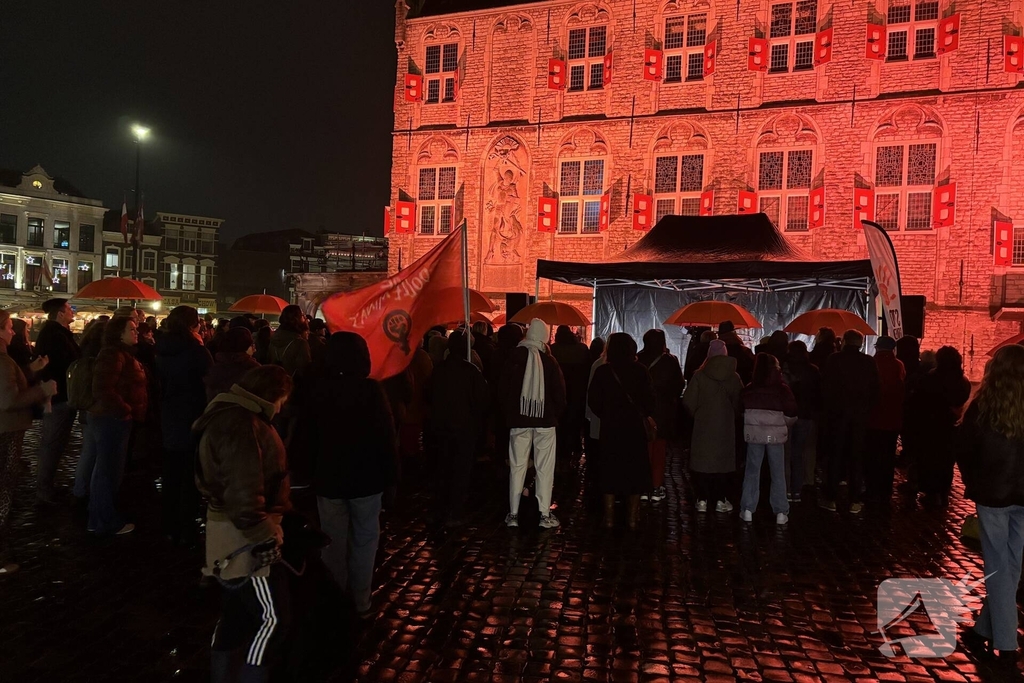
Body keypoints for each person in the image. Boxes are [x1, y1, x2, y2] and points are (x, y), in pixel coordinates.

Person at [194, 365, 294, 681]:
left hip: (231, 531)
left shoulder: (233, 415)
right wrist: (265, 536)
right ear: (274, 395)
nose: (282, 409)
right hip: (244, 538)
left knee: (236, 614)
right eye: (283, 400)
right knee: (273, 618)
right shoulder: (241, 424)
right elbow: (243, 491)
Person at [301, 333, 398, 618]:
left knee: (332, 540)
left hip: (329, 478)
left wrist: (305, 471)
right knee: (365, 539)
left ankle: (335, 598)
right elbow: (386, 438)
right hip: (366, 479)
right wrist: (392, 478)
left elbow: (307, 437)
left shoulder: (318, 390)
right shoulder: (371, 391)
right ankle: (360, 599)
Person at [957, 345, 1024, 662]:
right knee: (1010, 565)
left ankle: (1007, 643)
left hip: (992, 494)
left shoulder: (983, 406)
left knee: (999, 567)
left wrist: (974, 481)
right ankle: (983, 629)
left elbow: (965, 449)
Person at [0, 310, 57, 574]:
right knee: (3, 491)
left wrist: (29, 371)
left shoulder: (6, 360)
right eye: (9, 327)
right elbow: (9, 400)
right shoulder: (1, 360)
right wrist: (42, 391)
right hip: (6, 432)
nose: (13, 331)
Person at [500, 319, 566, 529]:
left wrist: (511, 413)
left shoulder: (513, 357)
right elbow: (560, 395)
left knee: (517, 467)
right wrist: (553, 414)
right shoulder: (549, 361)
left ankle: (513, 513)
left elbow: (503, 390)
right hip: (545, 422)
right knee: (545, 468)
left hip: (518, 421)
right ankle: (544, 514)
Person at [155, 305, 213, 545]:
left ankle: (168, 523)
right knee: (190, 473)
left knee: (171, 471)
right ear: (193, 325)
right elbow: (210, 378)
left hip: (169, 413)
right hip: (192, 413)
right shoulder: (196, 351)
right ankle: (187, 524)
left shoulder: (161, 347)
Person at [588, 333, 655, 529]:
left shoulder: (603, 372)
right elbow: (650, 401)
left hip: (611, 429)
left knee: (609, 471)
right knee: (634, 473)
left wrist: (607, 414)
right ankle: (632, 518)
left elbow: (593, 401)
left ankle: (609, 517)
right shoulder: (641, 371)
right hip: (634, 430)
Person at [87, 315, 147, 536]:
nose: (136, 332)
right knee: (108, 471)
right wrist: (125, 410)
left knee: (107, 469)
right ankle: (105, 520)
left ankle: (98, 517)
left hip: (113, 418)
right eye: (131, 329)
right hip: (111, 419)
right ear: (119, 333)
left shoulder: (122, 353)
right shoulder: (113, 354)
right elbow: (103, 388)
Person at [426, 331, 489, 526]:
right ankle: (455, 511)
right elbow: (481, 402)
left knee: (442, 469)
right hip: (464, 429)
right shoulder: (471, 372)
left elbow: (427, 396)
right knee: (460, 471)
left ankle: (439, 510)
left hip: (440, 427)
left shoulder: (438, 370)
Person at [819, 329, 880, 514]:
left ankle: (831, 498)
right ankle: (855, 499)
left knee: (835, 456)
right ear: (860, 343)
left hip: (837, 416)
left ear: (844, 341)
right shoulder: (868, 362)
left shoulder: (834, 360)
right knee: (857, 457)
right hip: (860, 417)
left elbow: (825, 388)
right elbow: (876, 389)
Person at [683, 339, 743, 513]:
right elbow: (739, 401)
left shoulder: (700, 375)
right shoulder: (734, 376)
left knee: (702, 463)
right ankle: (720, 499)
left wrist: (699, 414)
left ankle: (701, 498)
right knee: (722, 464)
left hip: (703, 424)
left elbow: (688, 401)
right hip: (725, 425)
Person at [739, 353, 798, 524]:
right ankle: (780, 511)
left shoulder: (750, 388)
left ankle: (748, 508)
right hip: (776, 435)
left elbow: (741, 408)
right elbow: (792, 411)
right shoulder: (782, 389)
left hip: (754, 434)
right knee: (778, 471)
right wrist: (783, 424)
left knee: (752, 470)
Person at [909, 346, 971, 507]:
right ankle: (943, 492)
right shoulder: (962, 381)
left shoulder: (930, 378)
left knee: (929, 459)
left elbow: (919, 402)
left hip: (930, 425)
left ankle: (931, 492)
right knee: (946, 460)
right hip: (950, 426)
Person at [32, 297, 80, 504]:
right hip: (58, 395)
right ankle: (43, 488)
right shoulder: (54, 335)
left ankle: (47, 485)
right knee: (52, 442)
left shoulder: (57, 333)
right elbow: (62, 363)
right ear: (60, 313)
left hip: (61, 393)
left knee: (56, 442)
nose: (72, 312)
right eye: (69, 309)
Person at [637, 329, 684, 503]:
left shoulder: (638, 359)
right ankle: (656, 487)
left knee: (643, 450)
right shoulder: (670, 361)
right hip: (663, 412)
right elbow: (678, 385)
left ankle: (642, 486)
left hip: (642, 412)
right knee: (659, 450)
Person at [865, 336, 905, 505]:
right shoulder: (898, 365)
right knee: (888, 456)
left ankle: (871, 489)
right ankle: (885, 489)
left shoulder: (871, 363)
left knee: (872, 455)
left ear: (878, 347)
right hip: (892, 419)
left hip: (872, 418)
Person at [72, 319, 108, 502]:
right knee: (97, 452)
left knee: (88, 450)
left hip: (85, 406)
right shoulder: (100, 356)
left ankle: (80, 488)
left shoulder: (84, 350)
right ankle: (89, 491)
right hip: (96, 407)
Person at [782, 341, 820, 502]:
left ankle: (786, 488)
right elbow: (818, 394)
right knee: (798, 453)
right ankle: (797, 490)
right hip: (806, 415)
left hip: (786, 414)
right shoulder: (813, 370)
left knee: (786, 453)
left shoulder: (784, 368)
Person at [551, 325, 591, 464]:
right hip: (577, 391)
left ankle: (561, 451)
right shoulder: (582, 349)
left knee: (561, 422)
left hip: (559, 391)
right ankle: (575, 447)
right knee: (575, 422)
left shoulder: (553, 350)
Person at [205, 327, 260, 402]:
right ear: (245, 346)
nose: (254, 349)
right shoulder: (252, 370)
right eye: (252, 345)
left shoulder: (215, 367)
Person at [269, 305, 311, 377]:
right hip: (292, 384)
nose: (305, 318)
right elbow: (304, 370)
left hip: (275, 381)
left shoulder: (273, 338)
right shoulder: (300, 343)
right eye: (302, 315)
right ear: (296, 319)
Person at [717, 321, 755, 385]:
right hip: (741, 386)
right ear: (734, 332)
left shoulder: (714, 351)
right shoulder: (744, 350)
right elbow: (753, 365)